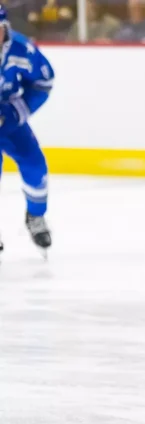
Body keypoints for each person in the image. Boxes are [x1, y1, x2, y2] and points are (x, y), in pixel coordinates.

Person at [0, 5, 54, 258]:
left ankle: (35, 216)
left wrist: (17, 112)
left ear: (5, 28)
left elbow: (43, 81)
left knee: (35, 166)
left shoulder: (22, 50)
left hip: (8, 118)